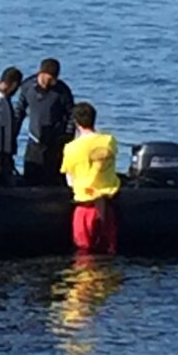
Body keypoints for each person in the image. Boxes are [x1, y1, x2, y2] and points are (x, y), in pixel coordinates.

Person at [61, 103, 120, 255]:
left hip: (85, 206)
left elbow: (70, 179)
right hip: (107, 205)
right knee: (107, 252)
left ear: (76, 122)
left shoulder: (71, 148)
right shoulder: (109, 141)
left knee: (84, 254)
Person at [15, 58, 75, 187]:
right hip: (34, 140)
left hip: (55, 142)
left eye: (54, 80)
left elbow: (71, 114)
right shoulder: (27, 87)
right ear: (41, 73)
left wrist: (68, 136)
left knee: (53, 178)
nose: (51, 83)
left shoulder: (62, 91)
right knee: (31, 177)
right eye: (49, 79)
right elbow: (19, 111)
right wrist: (13, 133)